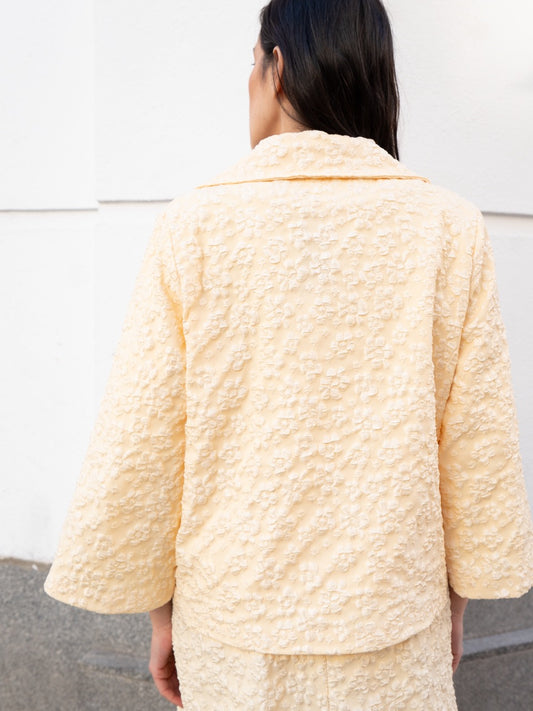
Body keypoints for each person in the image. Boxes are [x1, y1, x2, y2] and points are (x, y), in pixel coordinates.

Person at [44, 0, 533, 709]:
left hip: (233, 622)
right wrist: (456, 602)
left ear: (277, 69)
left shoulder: (196, 224)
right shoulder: (448, 228)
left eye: (252, 62)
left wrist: (161, 616)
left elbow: (145, 433)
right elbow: (475, 442)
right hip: (393, 618)